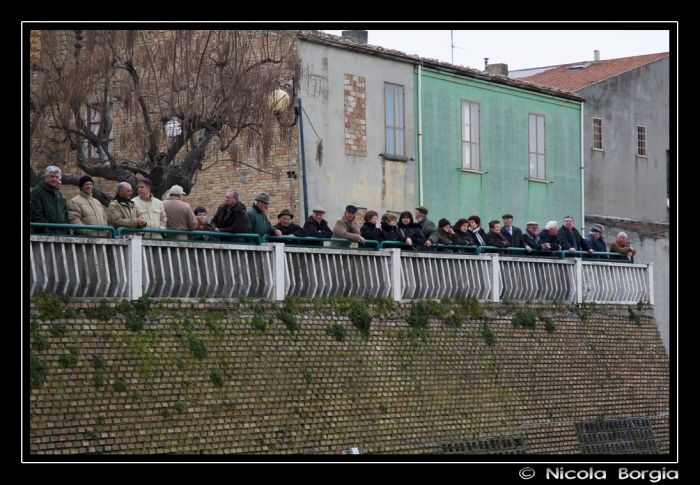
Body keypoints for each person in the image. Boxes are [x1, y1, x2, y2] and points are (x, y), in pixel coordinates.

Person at [30, 166, 68, 234]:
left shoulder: (58, 193)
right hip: (44, 235)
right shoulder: (37, 191)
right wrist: (46, 230)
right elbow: (36, 214)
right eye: (51, 176)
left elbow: (64, 213)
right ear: (45, 177)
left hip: (60, 233)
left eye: (56, 177)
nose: (54, 179)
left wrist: (65, 230)